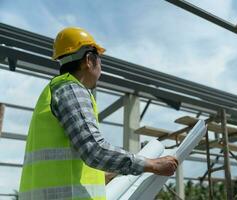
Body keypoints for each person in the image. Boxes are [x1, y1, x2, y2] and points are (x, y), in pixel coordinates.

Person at [18, 27, 178, 200]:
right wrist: (152, 164)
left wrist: (105, 175)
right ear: (89, 60)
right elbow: (94, 149)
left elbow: (68, 164)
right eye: (100, 60)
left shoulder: (55, 90)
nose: (101, 68)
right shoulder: (71, 89)